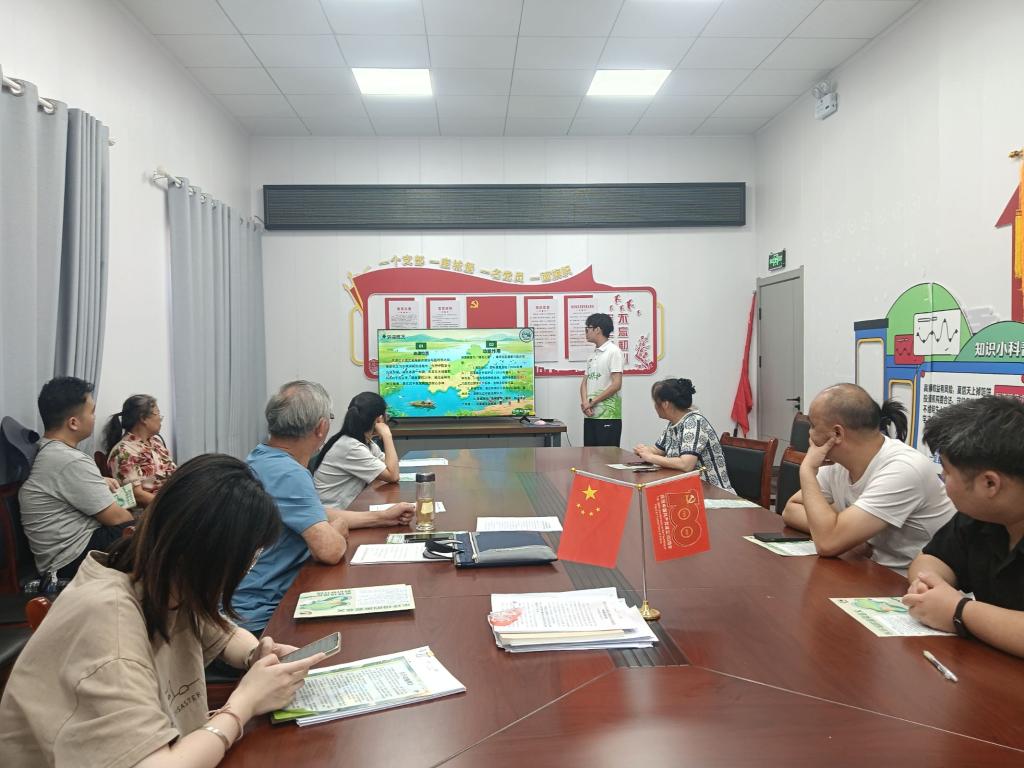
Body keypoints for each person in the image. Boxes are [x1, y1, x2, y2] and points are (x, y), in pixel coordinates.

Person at [0, 453, 324, 768]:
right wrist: (244, 703)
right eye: (249, 560)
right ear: (215, 558)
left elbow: (222, 634)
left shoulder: (164, 577)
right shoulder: (110, 628)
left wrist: (257, 655)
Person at [233, 381, 414, 635]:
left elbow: (315, 513)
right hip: (262, 616)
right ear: (321, 427)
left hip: (239, 606)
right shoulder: (289, 473)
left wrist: (382, 517)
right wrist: (336, 529)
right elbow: (330, 550)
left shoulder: (260, 458)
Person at [782, 383, 956, 574]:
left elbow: (827, 543)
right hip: (873, 572)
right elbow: (791, 509)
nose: (809, 433)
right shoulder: (839, 466)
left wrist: (807, 470)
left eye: (813, 426)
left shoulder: (903, 469)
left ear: (837, 433)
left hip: (916, 582)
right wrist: (845, 534)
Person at [903, 395, 1024, 658]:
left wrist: (959, 611)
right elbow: (931, 559)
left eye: (946, 472)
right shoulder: (980, 516)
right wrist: (928, 586)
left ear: (990, 483)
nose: (942, 479)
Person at [18, 376, 134, 579]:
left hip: (62, 553)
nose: (94, 417)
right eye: (92, 412)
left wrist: (99, 482)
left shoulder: (48, 450)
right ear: (73, 422)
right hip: (70, 560)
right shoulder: (70, 460)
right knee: (151, 528)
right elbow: (119, 519)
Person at [633, 378, 734, 492]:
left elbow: (686, 464)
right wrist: (644, 450)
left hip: (713, 492)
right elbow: (659, 450)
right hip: (689, 489)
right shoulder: (673, 423)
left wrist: (651, 457)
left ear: (665, 404)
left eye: (656, 402)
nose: (655, 407)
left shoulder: (694, 422)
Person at [313, 391, 399, 509]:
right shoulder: (351, 447)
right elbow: (393, 476)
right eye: (386, 415)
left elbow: (391, 467)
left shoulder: (362, 442)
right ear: (379, 419)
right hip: (332, 514)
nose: (387, 418)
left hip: (344, 509)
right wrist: (387, 435)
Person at [103, 394, 177, 509]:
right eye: (157, 413)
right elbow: (137, 495)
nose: (160, 418)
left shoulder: (156, 443)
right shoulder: (123, 451)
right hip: (152, 511)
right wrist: (172, 505)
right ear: (143, 418)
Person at [580, 312, 624, 447]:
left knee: (607, 457)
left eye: (587, 328)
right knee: (589, 455)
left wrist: (592, 402)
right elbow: (584, 383)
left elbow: (616, 384)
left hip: (608, 416)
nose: (586, 332)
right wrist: (585, 403)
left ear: (597, 329)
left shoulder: (614, 352)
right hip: (590, 415)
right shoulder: (592, 355)